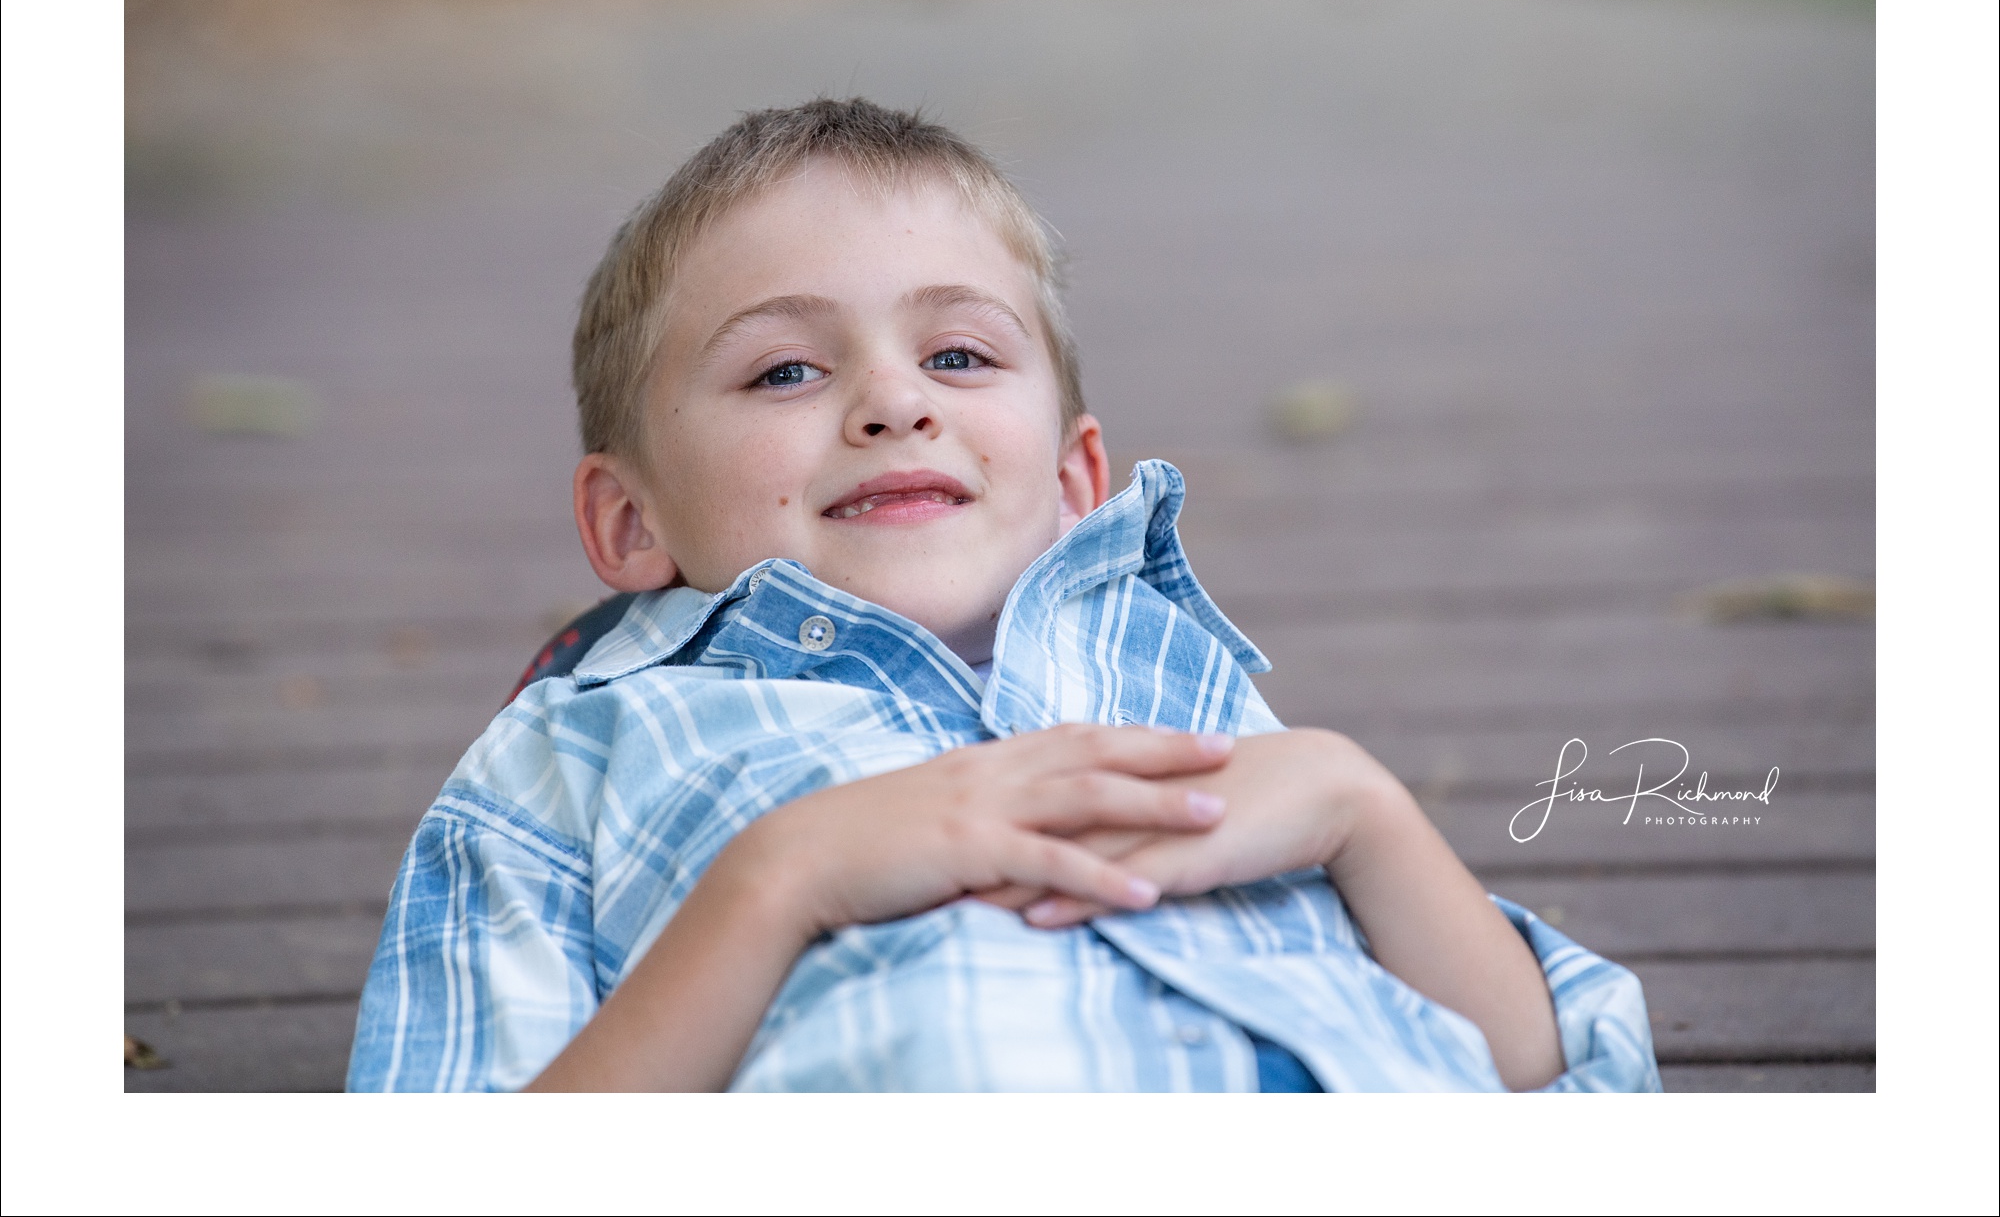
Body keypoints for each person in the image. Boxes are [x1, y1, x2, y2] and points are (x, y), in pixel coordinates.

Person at [346, 98, 1659, 1093]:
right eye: (786, 373)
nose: (896, 401)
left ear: (1079, 476)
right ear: (628, 518)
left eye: (960, 352)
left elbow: (1553, 1072)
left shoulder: (1176, 682)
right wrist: (778, 882)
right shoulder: (568, 760)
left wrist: (1362, 811)